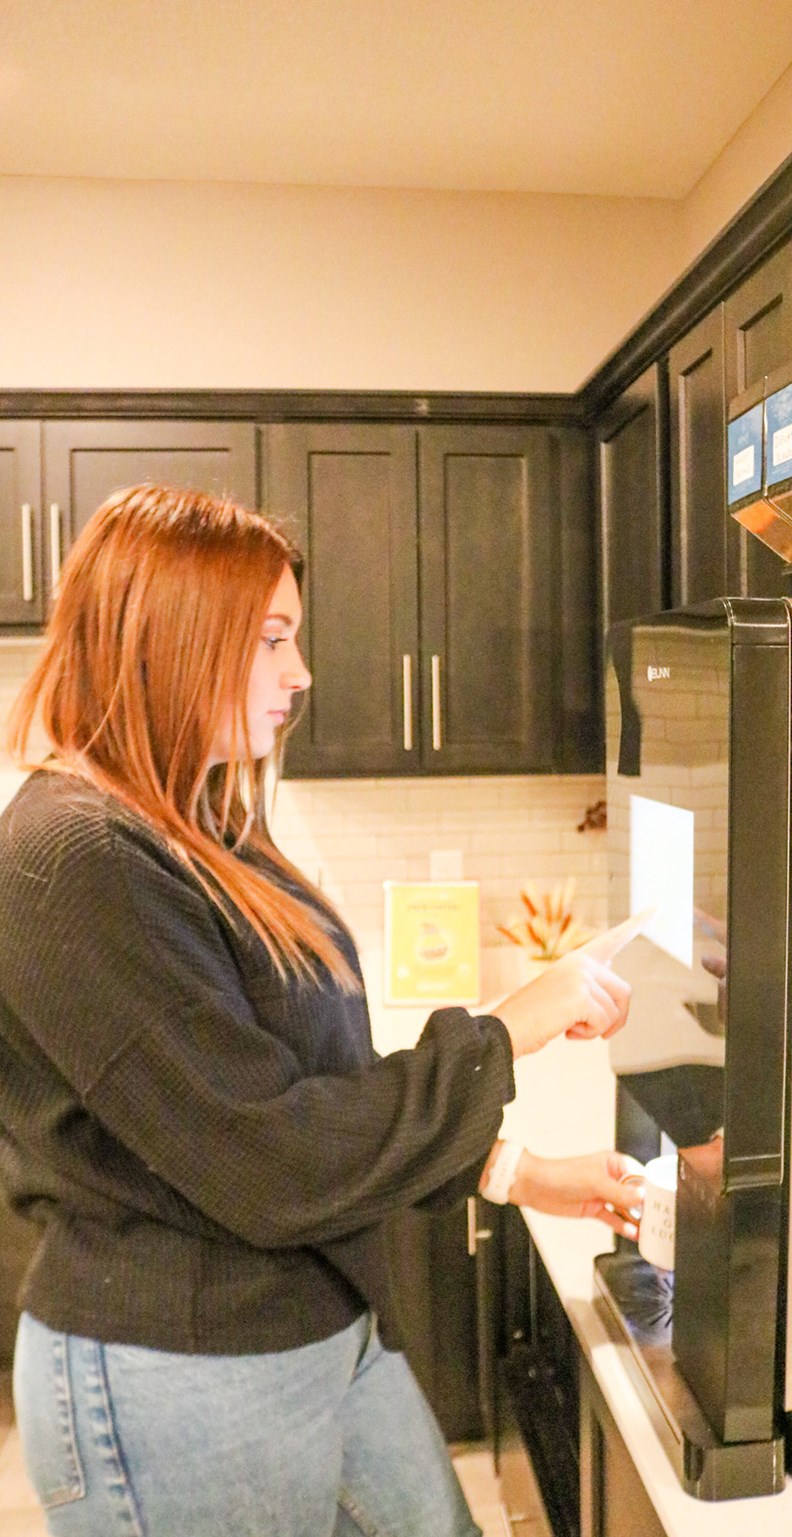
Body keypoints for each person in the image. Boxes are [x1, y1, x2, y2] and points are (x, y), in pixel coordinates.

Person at [0, 483, 643, 1537]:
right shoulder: (72, 858)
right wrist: (505, 1028)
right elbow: (268, 1154)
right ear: (168, 635)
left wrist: (515, 1173)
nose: (299, 674)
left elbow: (306, 1090)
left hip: (320, 1330)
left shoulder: (195, 819)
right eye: (268, 640)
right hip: (178, 1377)